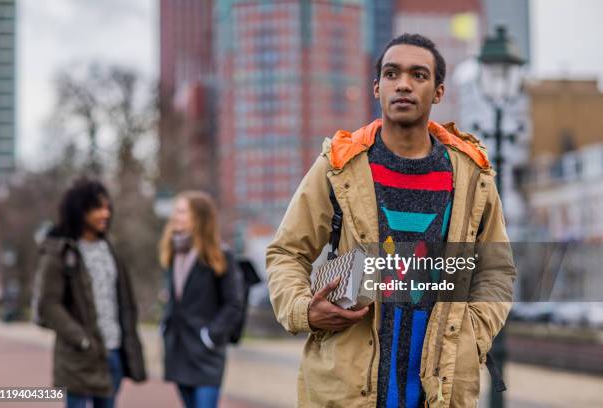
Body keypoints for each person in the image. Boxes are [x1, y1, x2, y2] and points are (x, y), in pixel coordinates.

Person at [266, 33, 516, 407]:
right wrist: (305, 309)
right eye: (392, 73)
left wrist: (473, 335)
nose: (403, 84)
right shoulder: (338, 167)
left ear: (438, 92)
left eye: (418, 75)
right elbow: (286, 252)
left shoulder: (472, 176)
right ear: (377, 88)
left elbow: (497, 269)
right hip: (348, 383)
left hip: (441, 386)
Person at [36, 178, 146, 408]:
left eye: (107, 208)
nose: (105, 214)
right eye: (98, 208)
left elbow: (124, 303)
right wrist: (83, 340)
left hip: (113, 352)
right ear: (80, 210)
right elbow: (48, 304)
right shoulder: (60, 252)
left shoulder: (111, 251)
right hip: (79, 356)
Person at [159, 191, 243, 408]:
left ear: (199, 217)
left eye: (181, 211)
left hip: (206, 354)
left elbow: (234, 304)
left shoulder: (221, 256)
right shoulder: (173, 253)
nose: (175, 216)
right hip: (178, 350)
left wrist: (211, 336)